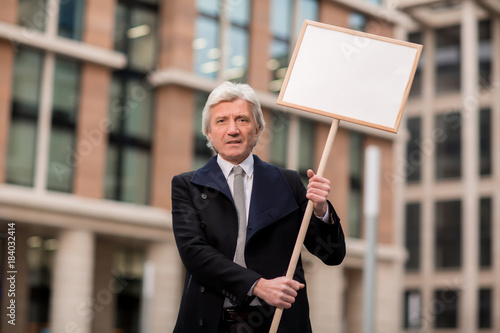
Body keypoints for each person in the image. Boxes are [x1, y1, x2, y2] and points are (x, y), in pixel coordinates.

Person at [171, 81, 345, 333]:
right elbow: (194, 253)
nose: (232, 130)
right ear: (209, 132)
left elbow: (332, 255)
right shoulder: (187, 185)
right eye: (221, 121)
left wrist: (321, 210)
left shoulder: (289, 183)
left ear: (258, 128)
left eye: (242, 120)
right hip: (211, 322)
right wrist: (258, 285)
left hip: (277, 322)